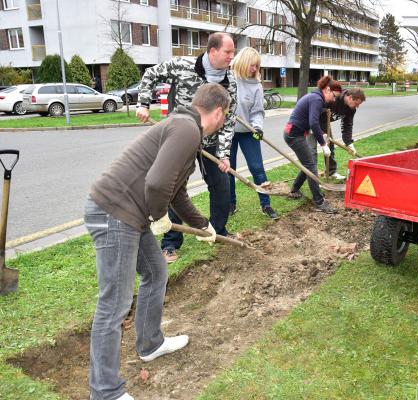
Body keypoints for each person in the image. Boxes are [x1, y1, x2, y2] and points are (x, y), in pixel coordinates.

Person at [85, 83, 231, 400]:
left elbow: (175, 190)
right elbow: (156, 184)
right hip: (113, 213)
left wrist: (203, 225)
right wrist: (159, 215)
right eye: (224, 118)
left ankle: (150, 344)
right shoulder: (187, 130)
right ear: (218, 113)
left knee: (155, 272)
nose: (223, 123)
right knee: (114, 305)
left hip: (128, 215)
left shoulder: (183, 127)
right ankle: (104, 391)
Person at [136, 32, 236, 264]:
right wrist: (143, 103)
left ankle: (217, 232)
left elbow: (229, 119)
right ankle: (171, 243)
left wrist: (224, 154)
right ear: (212, 51)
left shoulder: (230, 82)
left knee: (221, 188)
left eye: (233, 52)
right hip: (179, 140)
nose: (232, 56)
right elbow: (151, 74)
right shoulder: (182, 65)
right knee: (173, 190)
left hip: (210, 144)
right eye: (228, 52)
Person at [229, 47, 279, 219]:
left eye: (257, 66)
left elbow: (257, 111)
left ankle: (266, 205)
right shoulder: (228, 79)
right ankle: (230, 204)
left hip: (248, 132)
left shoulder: (256, 85)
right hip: (227, 132)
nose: (255, 70)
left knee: (257, 168)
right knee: (229, 169)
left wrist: (257, 127)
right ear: (243, 62)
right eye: (252, 65)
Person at [284, 76, 341, 214]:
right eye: (334, 96)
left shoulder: (316, 97)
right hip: (293, 135)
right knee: (311, 166)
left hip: (295, 134)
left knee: (307, 163)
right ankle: (319, 201)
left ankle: (294, 190)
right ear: (327, 90)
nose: (333, 100)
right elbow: (313, 123)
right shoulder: (316, 99)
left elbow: (311, 122)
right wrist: (323, 144)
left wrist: (322, 134)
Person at [308, 87, 365, 180]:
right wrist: (321, 134)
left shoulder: (351, 109)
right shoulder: (333, 98)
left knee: (330, 147)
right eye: (356, 103)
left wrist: (349, 143)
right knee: (311, 152)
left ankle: (330, 172)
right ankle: (312, 178)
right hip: (311, 122)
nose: (357, 106)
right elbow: (314, 110)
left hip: (324, 124)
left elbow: (347, 125)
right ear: (350, 97)